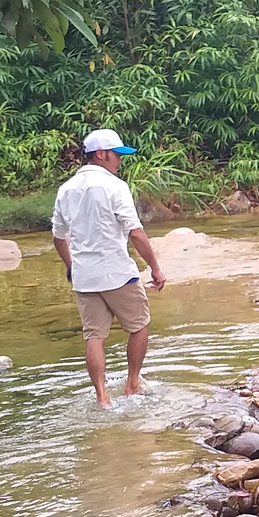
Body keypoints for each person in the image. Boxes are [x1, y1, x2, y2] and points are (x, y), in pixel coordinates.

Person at [52, 129, 167, 406]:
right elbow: (135, 233)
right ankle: (132, 384)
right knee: (139, 325)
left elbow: (58, 237)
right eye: (117, 155)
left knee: (94, 336)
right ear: (101, 154)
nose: (120, 161)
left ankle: (102, 398)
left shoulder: (66, 189)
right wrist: (155, 268)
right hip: (118, 273)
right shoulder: (115, 186)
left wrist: (71, 266)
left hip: (85, 278)